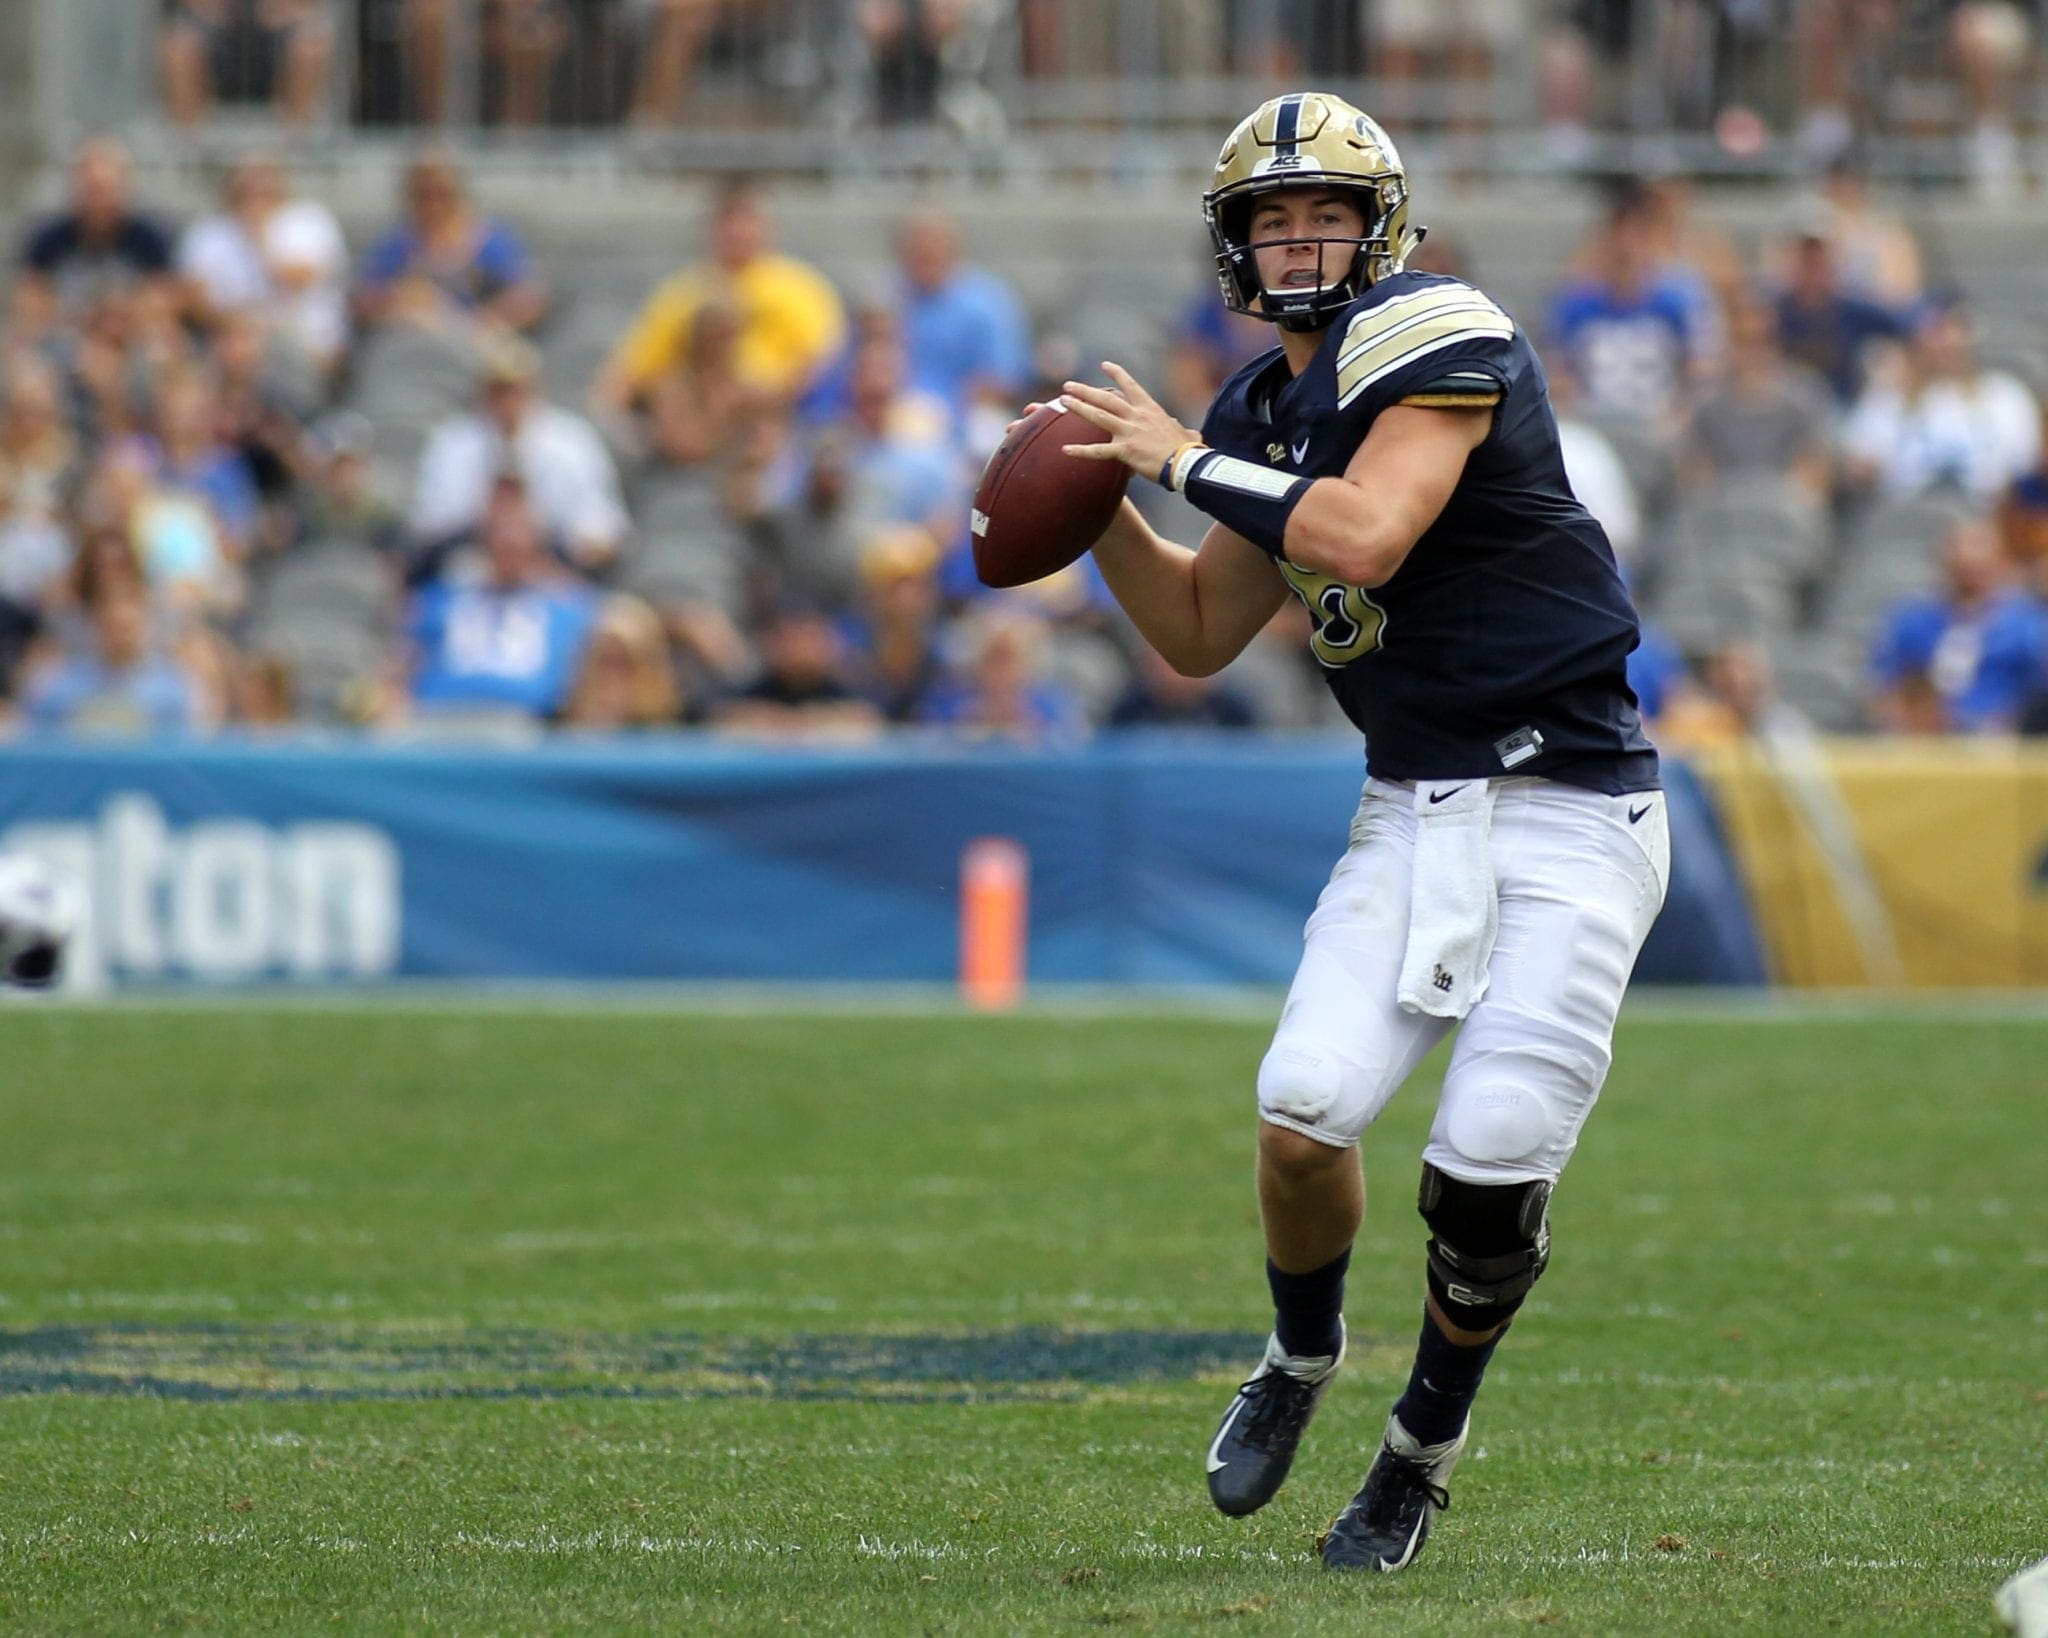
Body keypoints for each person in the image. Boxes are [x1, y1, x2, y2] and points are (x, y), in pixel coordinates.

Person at [1050, 92, 1668, 1572]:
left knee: (1491, 1156)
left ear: (1381, 227)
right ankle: (1299, 1351)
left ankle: (1418, 1451)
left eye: (1325, 211)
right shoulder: (1257, 413)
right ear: (1235, 246)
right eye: (1273, 218)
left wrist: (1171, 465)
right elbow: (1203, 627)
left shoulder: (1437, 330)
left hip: (1578, 803)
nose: (1301, 239)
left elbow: (1363, 535)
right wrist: (1090, 514)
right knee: (1303, 1105)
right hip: (1415, 801)